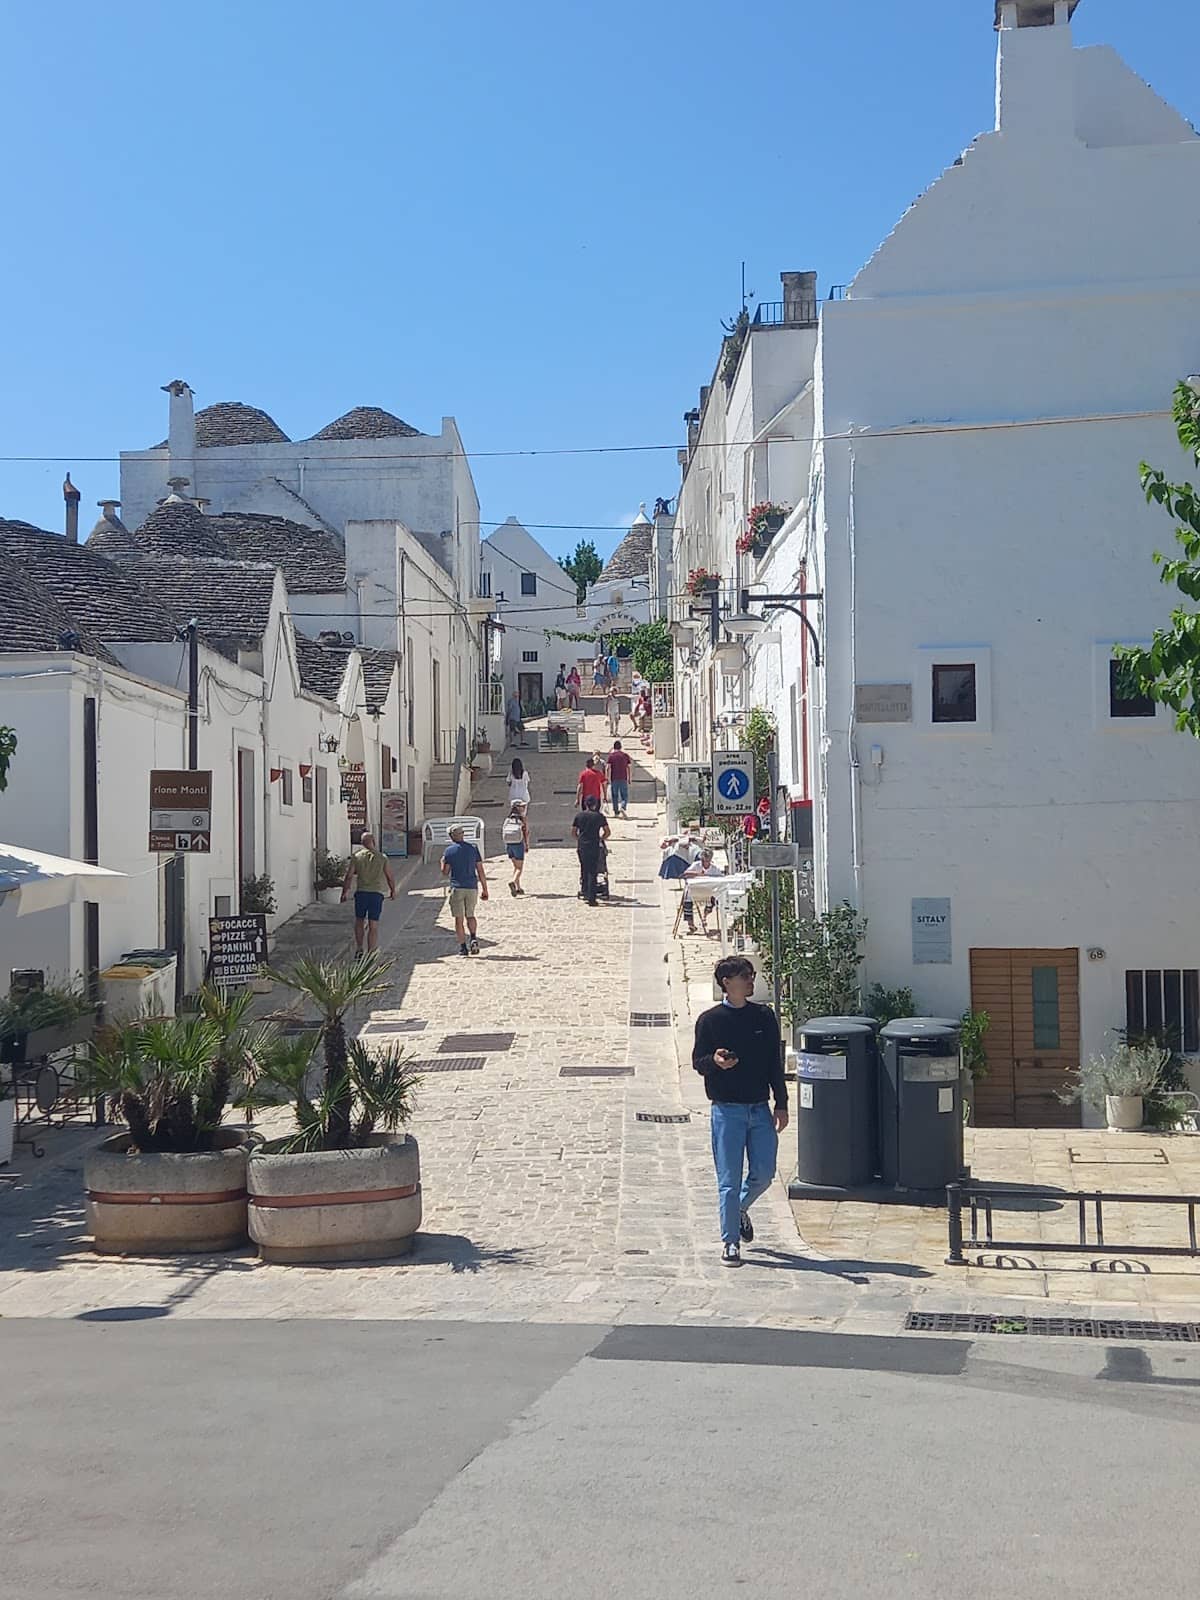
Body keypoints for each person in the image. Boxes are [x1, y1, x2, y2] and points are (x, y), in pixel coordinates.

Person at [692, 956, 789, 1267]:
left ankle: (739, 1210)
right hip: (727, 1110)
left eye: (751, 975)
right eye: (744, 976)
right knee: (729, 1180)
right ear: (727, 983)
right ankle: (730, 1241)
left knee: (764, 1173)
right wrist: (716, 1063)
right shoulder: (710, 1021)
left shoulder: (764, 1017)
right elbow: (699, 1063)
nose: (751, 980)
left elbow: (775, 1063)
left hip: (759, 1108)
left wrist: (782, 1102)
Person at [340, 831, 396, 955]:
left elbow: (349, 876)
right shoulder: (382, 857)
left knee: (359, 921)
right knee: (373, 925)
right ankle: (371, 952)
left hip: (361, 893)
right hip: (376, 894)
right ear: (373, 842)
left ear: (362, 843)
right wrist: (392, 890)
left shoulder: (357, 856)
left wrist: (345, 892)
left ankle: (359, 948)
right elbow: (389, 876)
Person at [440, 824, 489, 956]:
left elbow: (445, 872)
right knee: (471, 915)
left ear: (451, 836)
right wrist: (485, 889)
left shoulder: (449, 851)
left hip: (457, 887)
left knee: (459, 919)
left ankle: (463, 948)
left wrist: (442, 862)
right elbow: (480, 870)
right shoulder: (473, 848)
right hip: (472, 886)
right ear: (463, 834)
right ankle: (473, 937)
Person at [572, 795, 610, 907]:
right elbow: (607, 831)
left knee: (584, 868)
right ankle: (592, 897)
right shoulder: (599, 816)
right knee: (593, 871)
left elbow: (573, 831)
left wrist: (579, 839)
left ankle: (584, 891)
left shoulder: (579, 816)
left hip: (582, 846)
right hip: (594, 845)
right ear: (595, 805)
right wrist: (601, 838)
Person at [682, 847, 724, 936]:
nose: (706, 862)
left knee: (713, 900)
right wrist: (697, 874)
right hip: (693, 892)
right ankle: (691, 925)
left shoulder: (714, 869)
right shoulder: (696, 865)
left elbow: (721, 878)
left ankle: (704, 917)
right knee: (687, 902)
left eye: (708, 860)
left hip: (708, 893)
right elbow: (685, 874)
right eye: (704, 860)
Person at [502, 803, 529, 896]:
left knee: (515, 866)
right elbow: (526, 833)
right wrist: (526, 844)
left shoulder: (507, 819)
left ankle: (518, 887)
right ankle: (512, 881)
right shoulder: (522, 819)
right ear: (518, 808)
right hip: (518, 844)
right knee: (519, 868)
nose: (524, 808)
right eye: (522, 806)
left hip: (509, 844)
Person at [606, 739, 632, 818]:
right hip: (623, 778)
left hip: (614, 778)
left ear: (614, 747)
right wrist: (629, 778)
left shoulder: (611, 756)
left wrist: (607, 778)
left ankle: (616, 811)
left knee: (615, 795)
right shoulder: (625, 755)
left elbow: (608, 768)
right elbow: (629, 767)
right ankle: (623, 807)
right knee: (624, 795)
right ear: (621, 747)